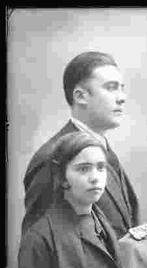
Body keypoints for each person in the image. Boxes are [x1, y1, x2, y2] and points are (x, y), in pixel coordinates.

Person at [17, 132, 125, 268]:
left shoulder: (104, 226)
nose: (95, 177)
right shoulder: (40, 239)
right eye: (83, 169)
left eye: (101, 167)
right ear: (62, 177)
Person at [22, 51, 139, 238]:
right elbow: (39, 248)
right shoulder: (52, 157)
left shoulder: (105, 151)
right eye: (111, 88)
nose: (122, 97)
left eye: (121, 88)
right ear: (80, 96)